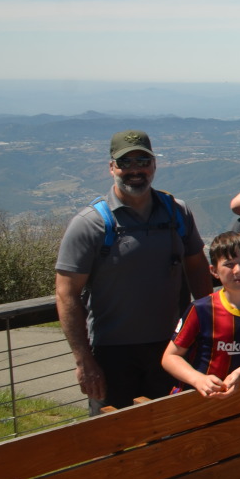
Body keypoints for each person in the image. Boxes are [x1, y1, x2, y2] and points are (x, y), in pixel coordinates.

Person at [55, 130, 211, 414]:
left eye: (143, 160)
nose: (135, 170)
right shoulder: (90, 224)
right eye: (125, 163)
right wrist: (84, 361)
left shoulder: (177, 213)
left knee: (171, 429)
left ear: (154, 165)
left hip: (173, 348)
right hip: (111, 354)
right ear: (111, 167)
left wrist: (206, 330)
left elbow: (198, 268)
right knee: (113, 440)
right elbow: (66, 294)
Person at [162, 232, 240, 397]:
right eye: (229, 264)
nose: (238, 270)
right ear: (214, 271)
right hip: (194, 396)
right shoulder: (201, 309)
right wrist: (197, 379)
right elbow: (170, 357)